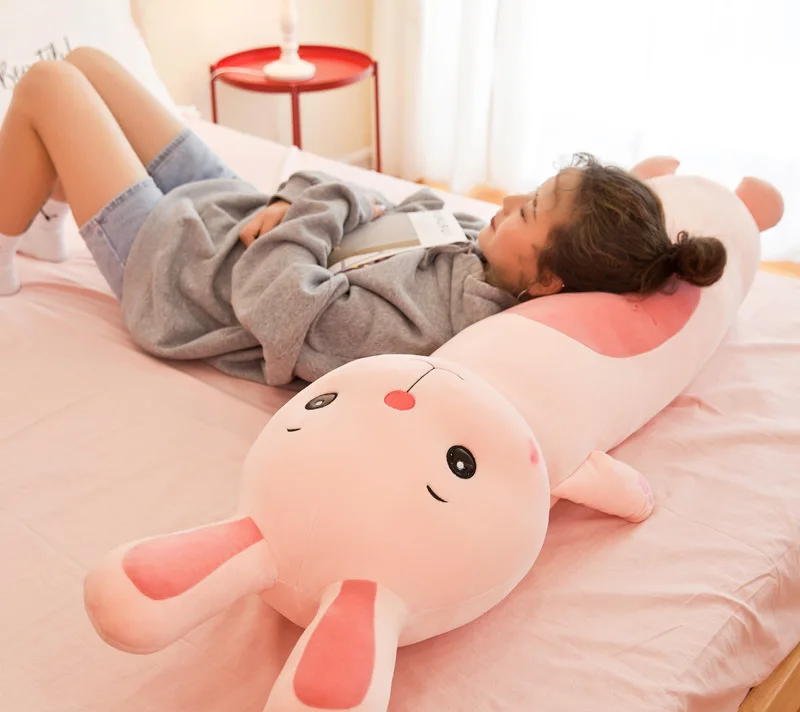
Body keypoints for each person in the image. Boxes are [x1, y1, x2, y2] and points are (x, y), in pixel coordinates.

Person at [0, 49, 726, 386]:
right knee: (90, 60)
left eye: (527, 212)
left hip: (181, 273)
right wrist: (302, 202)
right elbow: (394, 204)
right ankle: (44, 214)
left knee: (50, 83)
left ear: (546, 282)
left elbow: (275, 300)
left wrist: (313, 205)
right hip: (246, 213)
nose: (503, 205)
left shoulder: (429, 325)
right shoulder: (486, 252)